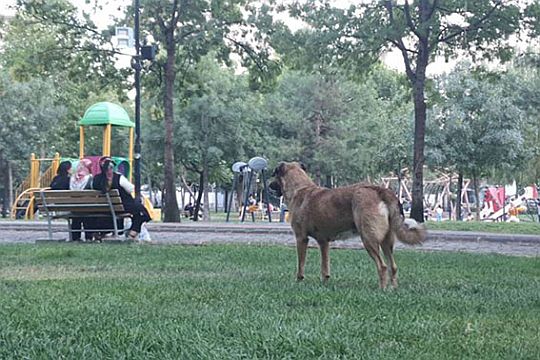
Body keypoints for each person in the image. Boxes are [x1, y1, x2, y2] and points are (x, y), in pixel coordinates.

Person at [92, 157, 151, 239]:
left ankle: (104, 233)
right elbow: (130, 189)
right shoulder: (119, 178)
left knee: (138, 209)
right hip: (122, 206)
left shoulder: (96, 179)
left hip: (104, 207)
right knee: (141, 210)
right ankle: (133, 232)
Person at [69, 159, 94, 241]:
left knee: (76, 216)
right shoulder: (90, 178)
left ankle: (75, 237)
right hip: (87, 207)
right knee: (88, 213)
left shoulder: (71, 178)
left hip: (73, 207)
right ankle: (89, 237)